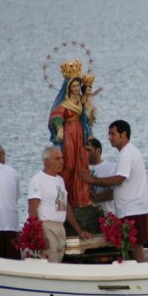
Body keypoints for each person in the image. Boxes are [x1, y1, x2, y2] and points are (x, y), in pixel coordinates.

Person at [80, 120, 148, 262]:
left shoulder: (127, 153)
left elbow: (118, 180)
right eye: (108, 134)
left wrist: (92, 180)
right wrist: (97, 197)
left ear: (124, 134)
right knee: (132, 246)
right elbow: (118, 188)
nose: (110, 138)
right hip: (130, 208)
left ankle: (142, 274)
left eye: (113, 134)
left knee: (136, 246)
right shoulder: (127, 153)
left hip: (133, 209)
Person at [28, 146, 91, 263]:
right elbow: (32, 209)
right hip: (47, 227)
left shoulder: (60, 180)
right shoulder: (38, 180)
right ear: (46, 161)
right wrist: (39, 234)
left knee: (58, 262)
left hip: (60, 228)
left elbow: (65, 207)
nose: (61, 161)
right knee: (49, 263)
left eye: (62, 158)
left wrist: (79, 230)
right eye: (57, 159)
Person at [48, 66, 93, 208]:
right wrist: (60, 128)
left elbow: (87, 117)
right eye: (73, 85)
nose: (75, 88)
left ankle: (81, 199)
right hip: (69, 134)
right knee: (69, 163)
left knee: (82, 163)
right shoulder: (64, 103)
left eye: (77, 85)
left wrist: (89, 106)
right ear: (68, 87)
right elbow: (56, 115)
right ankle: (63, 196)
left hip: (80, 134)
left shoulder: (81, 100)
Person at [85, 138, 116, 215]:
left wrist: (96, 198)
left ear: (98, 150)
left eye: (89, 150)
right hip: (87, 216)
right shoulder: (81, 169)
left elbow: (115, 192)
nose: (85, 153)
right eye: (84, 150)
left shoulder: (112, 167)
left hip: (108, 215)